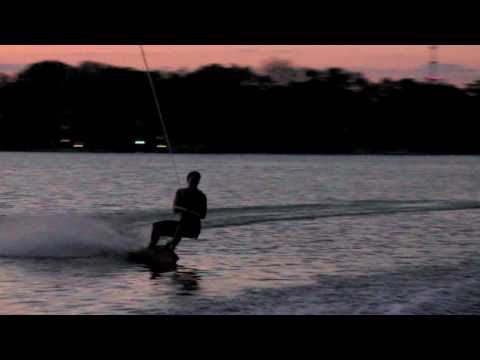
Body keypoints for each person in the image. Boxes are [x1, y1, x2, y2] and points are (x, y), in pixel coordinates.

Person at [149, 171, 207, 251]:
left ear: (198, 182)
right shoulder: (181, 192)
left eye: (196, 180)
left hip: (193, 228)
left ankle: (171, 248)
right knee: (157, 226)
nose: (194, 182)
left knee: (181, 227)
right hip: (181, 224)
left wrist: (192, 212)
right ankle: (152, 248)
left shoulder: (201, 196)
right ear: (188, 180)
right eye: (192, 180)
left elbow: (203, 215)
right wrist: (184, 209)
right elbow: (175, 209)